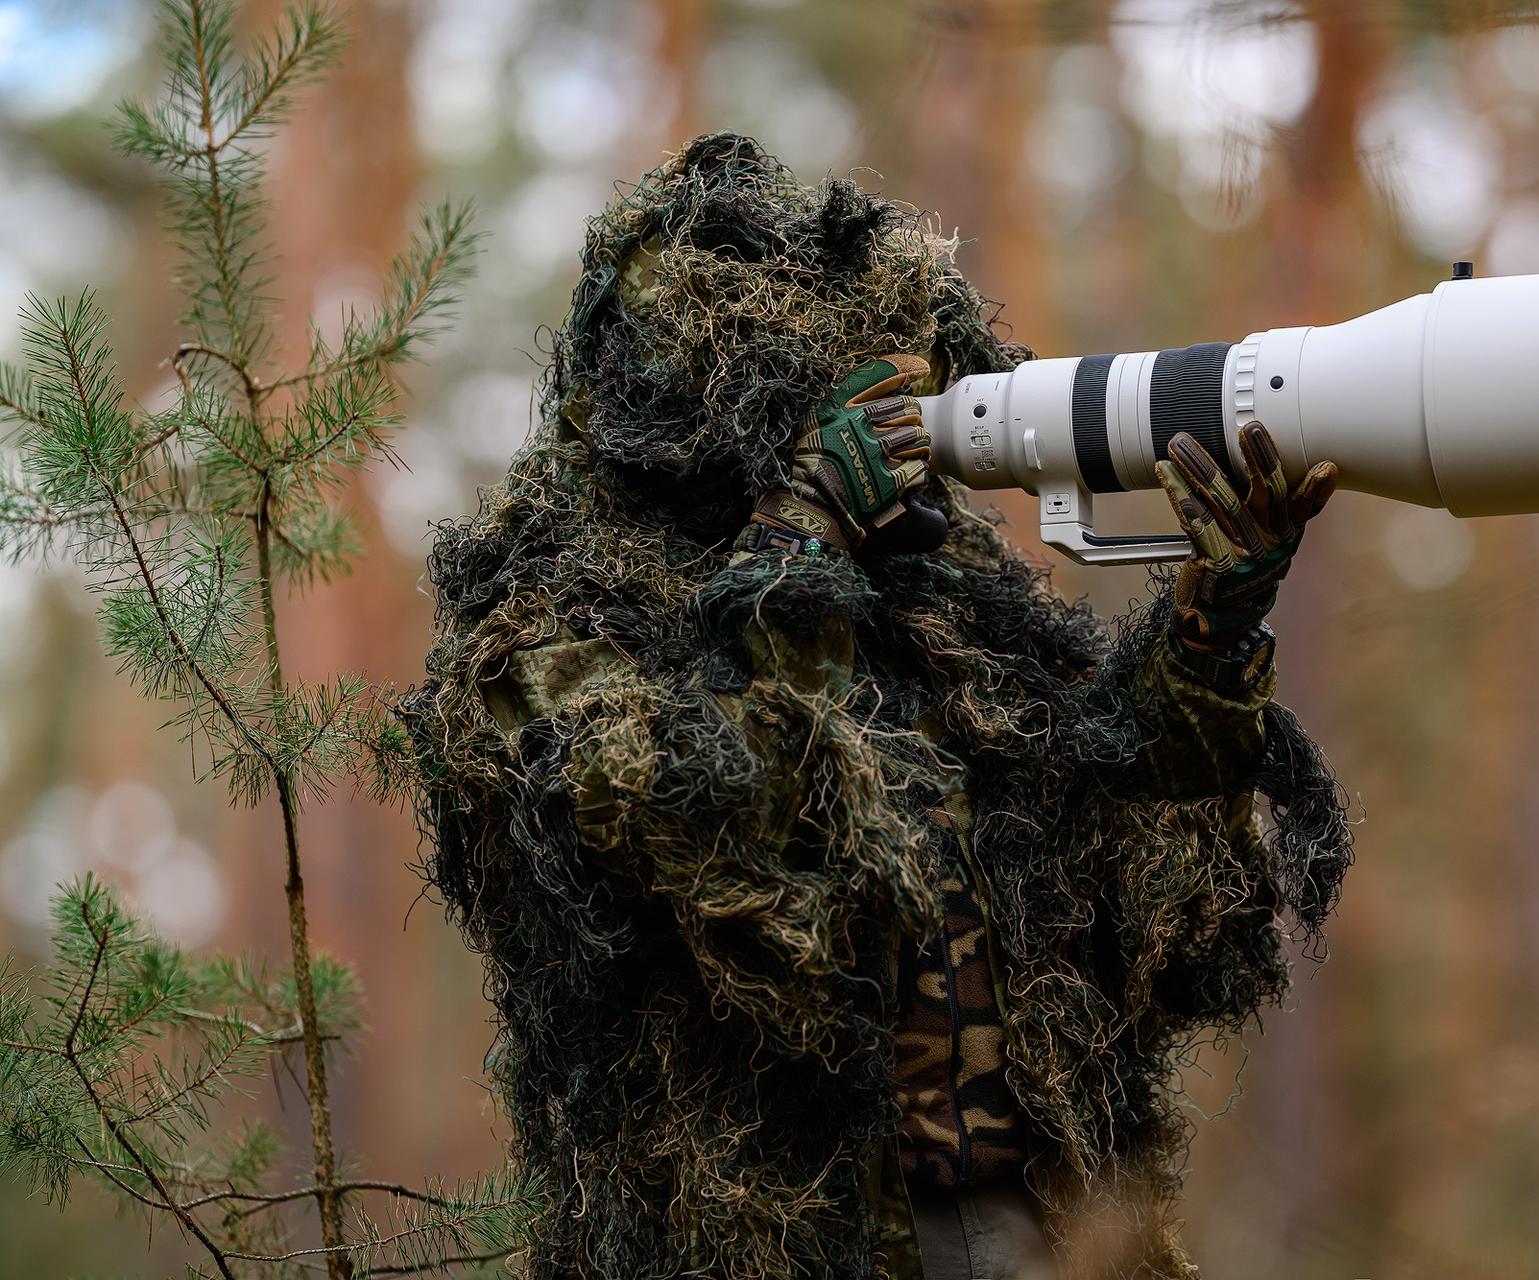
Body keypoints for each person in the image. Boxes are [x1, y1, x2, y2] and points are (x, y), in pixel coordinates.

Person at [406, 132, 1351, 1280]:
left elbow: (1125, 857)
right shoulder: (545, 639)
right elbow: (735, 849)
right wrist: (791, 562)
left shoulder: (940, 615)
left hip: (1040, 1220)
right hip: (786, 1243)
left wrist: (1207, 634)